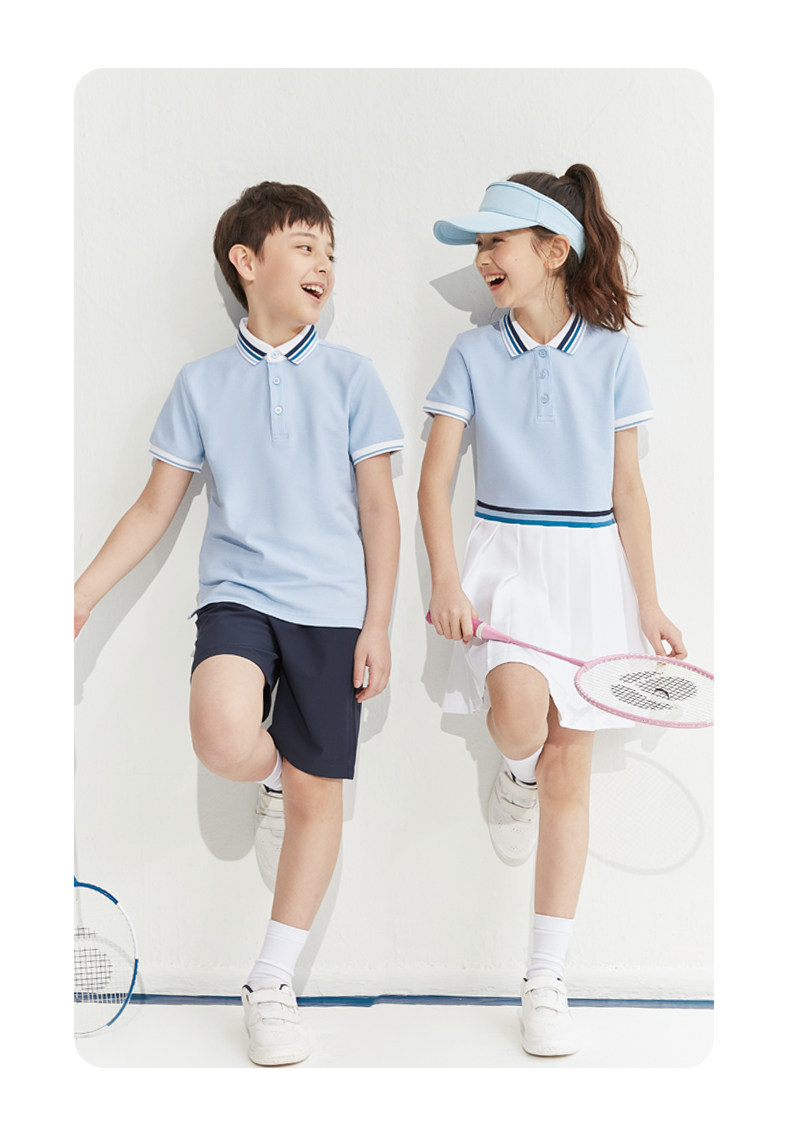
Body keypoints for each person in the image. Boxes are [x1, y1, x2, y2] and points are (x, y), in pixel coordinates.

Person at [74, 181, 403, 1066]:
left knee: (321, 797)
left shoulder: (353, 377)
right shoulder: (201, 383)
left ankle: (271, 981)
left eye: (331, 251)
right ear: (247, 262)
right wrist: (81, 592)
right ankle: (273, 779)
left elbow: (380, 509)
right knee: (223, 736)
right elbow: (155, 507)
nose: (324, 264)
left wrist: (377, 623)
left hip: (334, 610)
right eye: (305, 246)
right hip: (240, 594)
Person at [418, 165, 686, 1057]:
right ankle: (514, 768)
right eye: (478, 244)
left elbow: (629, 489)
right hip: (508, 561)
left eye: (496, 241)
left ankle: (544, 977)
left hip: (592, 568)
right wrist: (446, 579)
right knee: (518, 721)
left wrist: (648, 600)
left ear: (553, 250)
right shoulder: (471, 354)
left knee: (572, 775)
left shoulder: (613, 355)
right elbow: (434, 479)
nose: (482, 258)